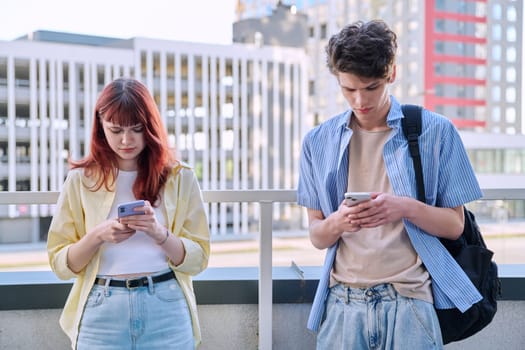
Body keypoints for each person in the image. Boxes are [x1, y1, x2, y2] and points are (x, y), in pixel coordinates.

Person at [297, 20, 483, 349]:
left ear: (391, 74)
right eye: (348, 89)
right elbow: (316, 235)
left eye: (371, 88)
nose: (359, 100)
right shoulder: (318, 141)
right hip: (343, 304)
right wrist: (338, 221)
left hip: (410, 301)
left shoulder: (435, 131)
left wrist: (403, 207)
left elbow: (455, 226)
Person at [47, 78, 210, 350]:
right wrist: (98, 235)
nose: (126, 140)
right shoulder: (80, 180)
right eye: (116, 130)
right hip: (102, 310)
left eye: (137, 129)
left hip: (166, 306)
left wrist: (159, 233)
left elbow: (200, 258)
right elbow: (60, 263)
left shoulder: (180, 177)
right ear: (100, 126)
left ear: (151, 127)